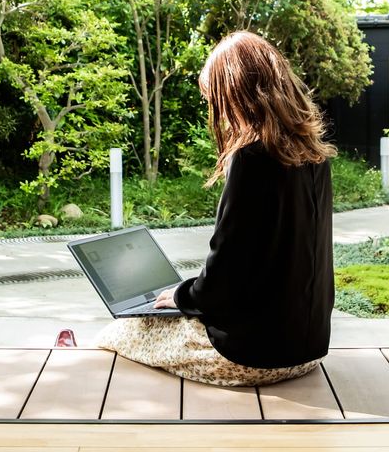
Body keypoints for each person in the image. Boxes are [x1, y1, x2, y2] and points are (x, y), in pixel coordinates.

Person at [94, 31, 335, 387]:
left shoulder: (251, 159)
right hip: (309, 349)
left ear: (239, 94)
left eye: (217, 100)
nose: (220, 114)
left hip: (254, 356)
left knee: (120, 332)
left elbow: (226, 277)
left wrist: (181, 295)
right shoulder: (314, 155)